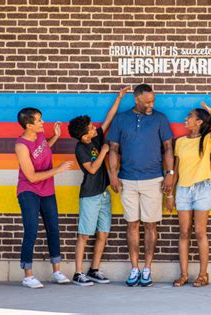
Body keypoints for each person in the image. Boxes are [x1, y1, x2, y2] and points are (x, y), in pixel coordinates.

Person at [107, 84, 174, 287]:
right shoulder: (121, 119)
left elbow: (168, 147)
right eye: (147, 102)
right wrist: (113, 174)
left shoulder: (159, 118)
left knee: (150, 225)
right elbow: (113, 149)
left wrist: (170, 174)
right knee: (132, 224)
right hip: (127, 179)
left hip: (153, 179)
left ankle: (147, 269)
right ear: (136, 99)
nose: (151, 105)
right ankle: (134, 268)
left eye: (153, 101)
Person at [67, 86, 130, 286]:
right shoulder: (81, 147)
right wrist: (103, 151)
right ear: (84, 136)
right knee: (85, 234)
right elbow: (92, 169)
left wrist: (119, 98)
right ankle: (78, 273)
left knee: (103, 233)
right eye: (91, 129)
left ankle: (94, 269)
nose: (95, 128)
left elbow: (109, 119)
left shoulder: (95, 137)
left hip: (103, 194)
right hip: (90, 195)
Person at [15, 107, 73, 289]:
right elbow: (31, 177)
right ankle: (28, 275)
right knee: (31, 231)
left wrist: (55, 136)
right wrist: (58, 170)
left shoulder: (39, 136)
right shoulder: (21, 145)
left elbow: (43, 148)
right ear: (29, 125)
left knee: (53, 229)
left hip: (47, 190)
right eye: (39, 121)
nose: (43, 123)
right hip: (29, 191)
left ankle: (56, 271)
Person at [166, 102, 211, 287]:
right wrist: (170, 195)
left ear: (198, 122)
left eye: (189, 116)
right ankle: (183, 275)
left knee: (199, 232)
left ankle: (203, 275)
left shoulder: (206, 141)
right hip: (182, 190)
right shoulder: (180, 142)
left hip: (202, 189)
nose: (186, 119)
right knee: (183, 232)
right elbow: (176, 170)